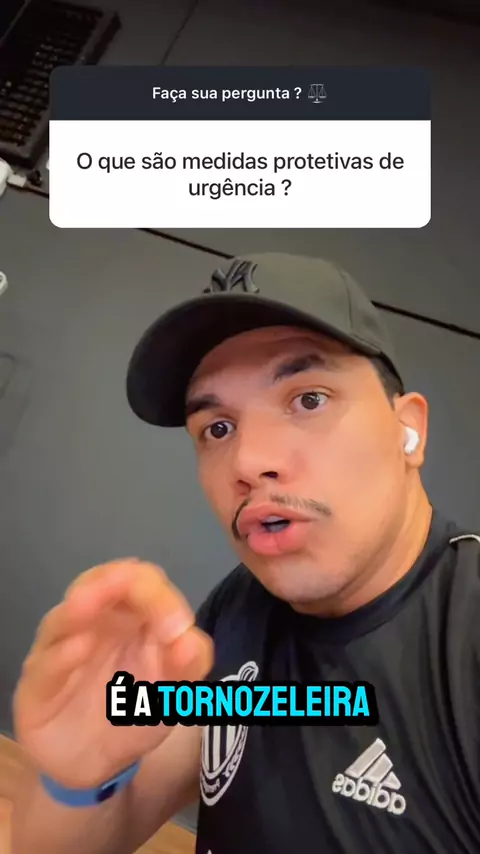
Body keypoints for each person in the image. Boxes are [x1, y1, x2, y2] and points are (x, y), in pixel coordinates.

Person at [11, 253, 480, 854]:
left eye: (308, 399)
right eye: (218, 428)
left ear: (408, 430)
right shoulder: (239, 611)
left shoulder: (464, 643)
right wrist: (77, 778)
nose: (248, 461)